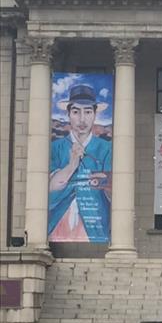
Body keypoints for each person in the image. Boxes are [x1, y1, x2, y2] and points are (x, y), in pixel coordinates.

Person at [48, 84, 112, 242]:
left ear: (94, 114)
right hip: (57, 223)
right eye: (76, 112)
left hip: (95, 226)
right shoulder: (56, 147)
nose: (82, 119)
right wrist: (71, 165)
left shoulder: (106, 148)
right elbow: (50, 186)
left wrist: (104, 181)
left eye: (88, 112)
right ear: (68, 114)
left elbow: (113, 190)